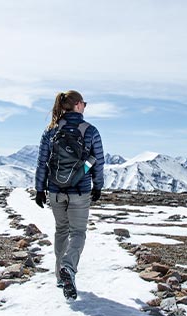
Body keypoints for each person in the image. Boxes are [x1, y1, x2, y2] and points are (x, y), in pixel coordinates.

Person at [34, 90, 105, 300]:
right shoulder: (90, 131)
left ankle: (59, 276)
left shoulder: (50, 131)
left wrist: (39, 189)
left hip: (55, 191)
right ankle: (68, 268)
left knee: (61, 231)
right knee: (78, 233)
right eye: (84, 103)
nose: (85, 106)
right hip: (80, 191)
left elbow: (41, 163)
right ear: (77, 105)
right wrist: (97, 186)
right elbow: (97, 162)